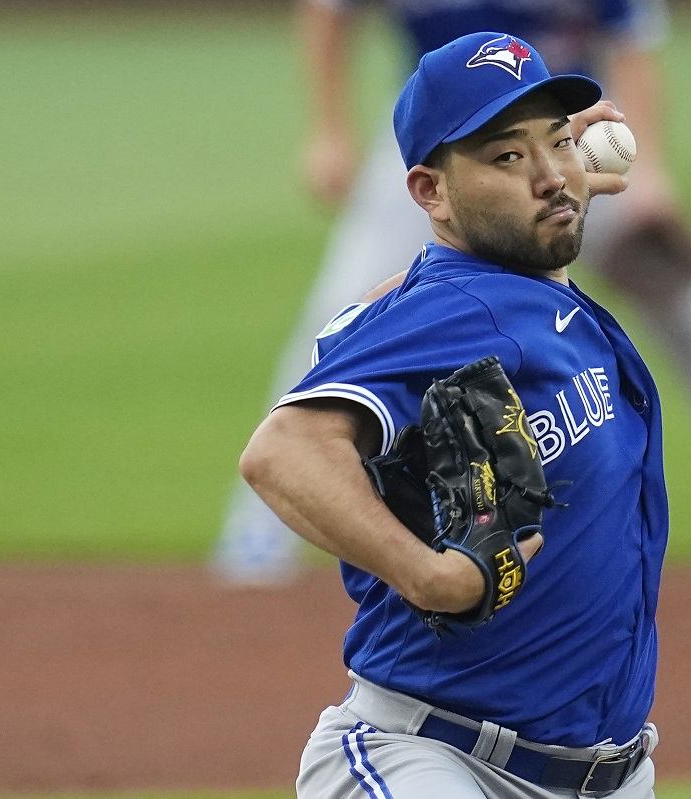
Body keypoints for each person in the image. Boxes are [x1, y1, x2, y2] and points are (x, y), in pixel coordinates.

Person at [213, 0, 691, 588]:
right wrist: (329, 129)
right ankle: (263, 527)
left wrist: (652, 178)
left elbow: (632, 45)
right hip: (432, 159)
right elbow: (328, 13)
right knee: (341, 315)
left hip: (570, 145)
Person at [239, 32, 664, 797]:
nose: (548, 175)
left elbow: (458, 275)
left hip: (610, 774)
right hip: (434, 760)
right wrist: (431, 576)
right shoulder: (461, 309)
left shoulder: (521, 291)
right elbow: (281, 451)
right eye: (506, 157)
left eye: (559, 143)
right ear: (431, 193)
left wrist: (551, 183)